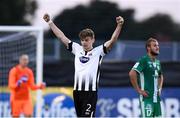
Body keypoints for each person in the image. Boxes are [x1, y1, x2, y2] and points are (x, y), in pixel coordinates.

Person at [43, 13, 124, 117]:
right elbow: (61, 36)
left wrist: (119, 25)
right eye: (82, 40)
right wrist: (50, 22)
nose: (84, 43)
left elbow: (112, 40)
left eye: (86, 40)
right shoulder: (77, 49)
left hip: (90, 93)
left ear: (93, 40)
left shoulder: (98, 51)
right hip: (77, 92)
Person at [129, 38, 164, 117]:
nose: (157, 47)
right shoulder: (144, 60)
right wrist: (138, 90)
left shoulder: (158, 62)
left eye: (158, 45)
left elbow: (160, 76)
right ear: (148, 48)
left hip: (157, 100)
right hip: (147, 100)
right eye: (155, 46)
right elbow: (132, 73)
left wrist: (160, 88)